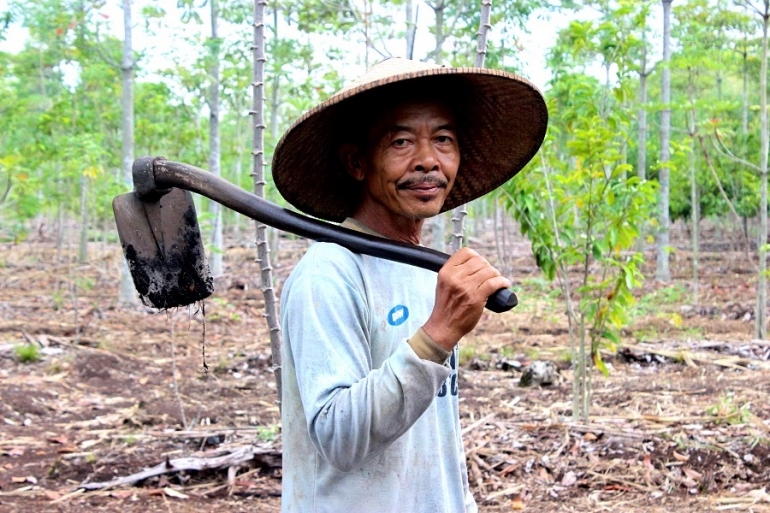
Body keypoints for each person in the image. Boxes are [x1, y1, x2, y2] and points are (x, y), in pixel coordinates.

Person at [271, 58, 547, 513]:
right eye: (401, 142)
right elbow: (339, 438)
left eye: (443, 140)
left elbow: (429, 434)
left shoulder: (426, 271)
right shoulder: (329, 275)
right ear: (357, 161)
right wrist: (437, 335)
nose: (428, 160)